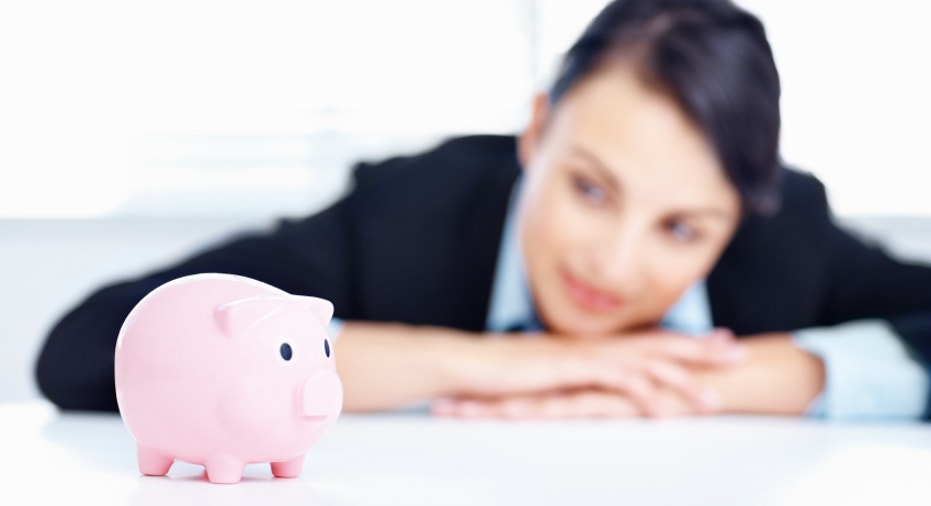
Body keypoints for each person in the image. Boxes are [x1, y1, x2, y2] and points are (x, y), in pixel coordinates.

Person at [36, 0, 931, 420]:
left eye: (682, 228)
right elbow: (84, 350)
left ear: (739, 217)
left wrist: (725, 385)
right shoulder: (407, 212)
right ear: (536, 132)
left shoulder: (788, 236)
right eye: (589, 188)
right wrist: (492, 366)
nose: (613, 268)